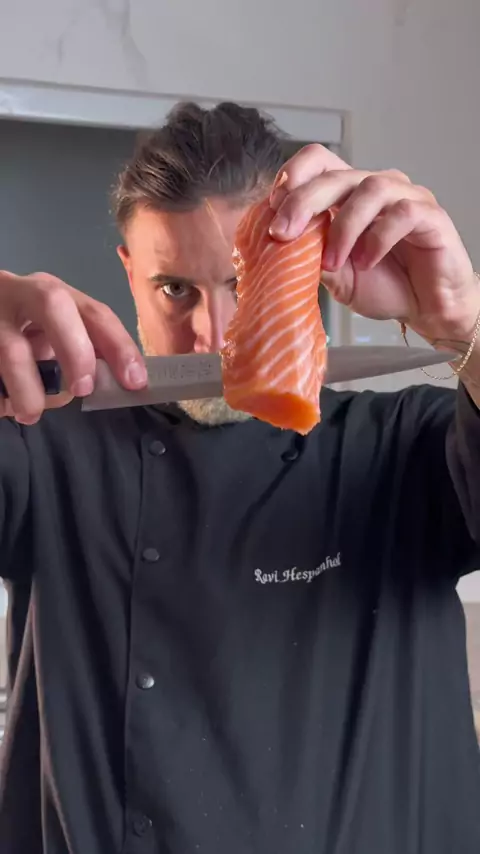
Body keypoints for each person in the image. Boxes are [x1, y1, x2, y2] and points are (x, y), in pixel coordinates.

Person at [0, 100, 479, 854]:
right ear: (128, 274)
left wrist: (468, 327)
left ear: (309, 270)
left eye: (242, 282)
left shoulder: (405, 449)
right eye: (174, 289)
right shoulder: (44, 445)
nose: (214, 334)